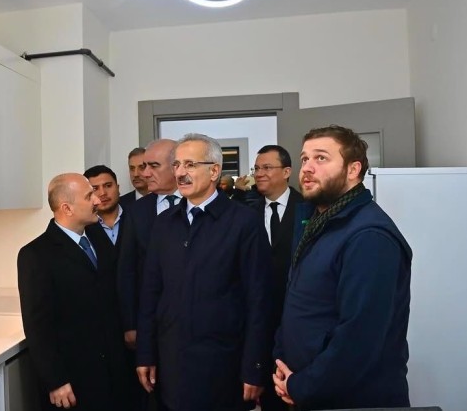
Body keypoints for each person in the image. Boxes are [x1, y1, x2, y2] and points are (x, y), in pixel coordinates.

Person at [273, 125, 412, 410]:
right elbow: (301, 303)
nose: (307, 167)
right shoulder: (318, 223)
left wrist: (301, 386)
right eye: (304, 158)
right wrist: (283, 363)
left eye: (321, 158)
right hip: (310, 390)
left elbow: (360, 338)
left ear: (353, 169)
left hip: (353, 399)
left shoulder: (369, 236)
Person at [136, 133, 274, 411]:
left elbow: (259, 300)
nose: (180, 173)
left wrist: (255, 366)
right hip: (171, 363)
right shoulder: (164, 224)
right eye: (177, 165)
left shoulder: (244, 222)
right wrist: (145, 353)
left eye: (190, 164)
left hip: (223, 363)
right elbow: (151, 293)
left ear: (214, 171)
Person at [17, 173, 129, 411]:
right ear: (66, 208)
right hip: (75, 379)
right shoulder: (36, 255)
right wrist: (55, 380)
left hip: (114, 371)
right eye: (89, 196)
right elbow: (38, 326)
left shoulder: (98, 237)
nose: (97, 200)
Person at [118, 138, 180, 411]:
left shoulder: (196, 206)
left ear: (176, 168)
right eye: (143, 167)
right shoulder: (137, 212)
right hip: (149, 320)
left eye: (153, 166)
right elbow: (127, 270)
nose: (144, 174)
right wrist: (130, 323)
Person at [249, 145, 303, 411]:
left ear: (286, 171)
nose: (259, 173)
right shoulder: (246, 211)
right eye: (257, 168)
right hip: (259, 317)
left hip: (296, 316)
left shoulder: (308, 209)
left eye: (267, 167)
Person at [84, 164, 124, 246]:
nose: (102, 193)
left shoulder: (136, 217)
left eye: (108, 186)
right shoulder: (83, 226)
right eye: (95, 189)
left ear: (118, 188)